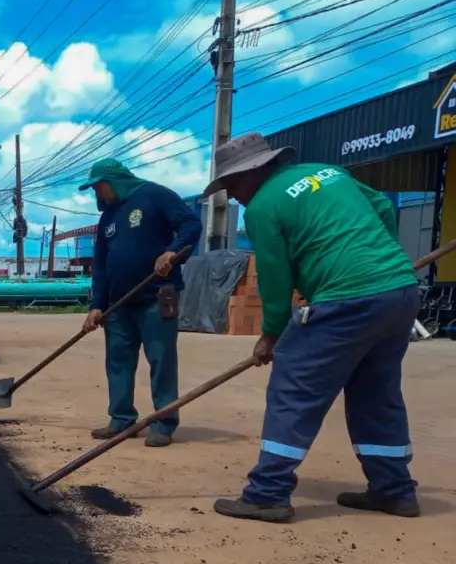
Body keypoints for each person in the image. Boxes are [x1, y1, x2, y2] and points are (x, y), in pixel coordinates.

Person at [203, 132, 421, 523]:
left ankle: (268, 493)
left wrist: (271, 334)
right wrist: (376, 259)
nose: (232, 196)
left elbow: (274, 278)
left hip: (348, 298)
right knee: (376, 392)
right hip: (399, 291)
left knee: (294, 386)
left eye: (232, 184)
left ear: (254, 172)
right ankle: (394, 490)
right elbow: (382, 210)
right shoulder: (328, 172)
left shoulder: (263, 206)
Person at [79, 159, 203, 447]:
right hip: (118, 304)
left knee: (161, 359)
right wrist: (97, 304)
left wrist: (172, 252)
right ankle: (122, 420)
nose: (97, 192)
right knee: (118, 361)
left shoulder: (155, 195)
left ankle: (164, 422)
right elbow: (100, 263)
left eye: (99, 186)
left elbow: (190, 225)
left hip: (156, 295)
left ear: (115, 180)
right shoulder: (108, 216)